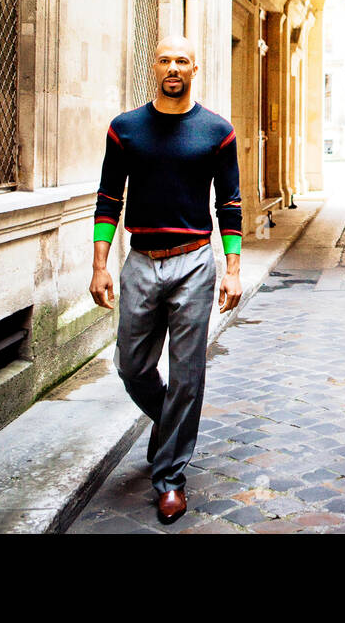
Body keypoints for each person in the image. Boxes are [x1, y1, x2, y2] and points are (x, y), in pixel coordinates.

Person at [89, 35, 243, 524]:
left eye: (182, 60)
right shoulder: (126, 129)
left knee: (187, 373)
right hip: (140, 260)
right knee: (131, 366)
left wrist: (233, 268)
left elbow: (231, 205)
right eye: (165, 59)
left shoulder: (217, 131)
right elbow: (108, 199)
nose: (173, 67)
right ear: (153, 66)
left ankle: (170, 478)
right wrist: (99, 265)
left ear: (195, 68)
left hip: (195, 261)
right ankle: (170, 426)